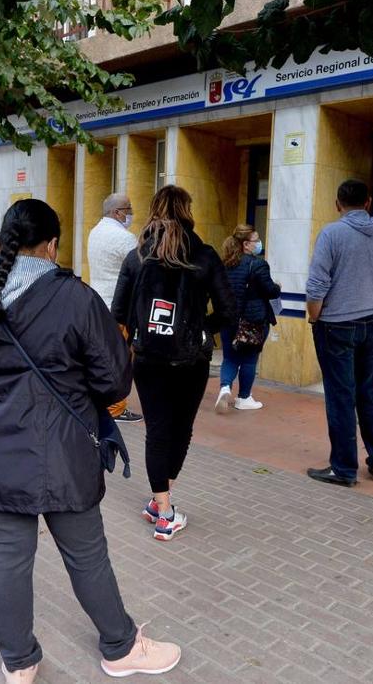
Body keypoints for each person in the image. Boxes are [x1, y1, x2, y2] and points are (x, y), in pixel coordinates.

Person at [0, 199, 181, 683]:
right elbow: (115, 381)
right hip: (61, 452)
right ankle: (119, 647)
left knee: (6, 555)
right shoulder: (74, 297)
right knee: (87, 553)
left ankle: (18, 662)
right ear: (52, 245)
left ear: (1, 241)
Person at [112, 186, 234, 541]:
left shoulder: (136, 257)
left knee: (157, 430)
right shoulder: (205, 255)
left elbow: (118, 312)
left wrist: (141, 330)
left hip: (147, 358)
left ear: (153, 211)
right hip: (190, 360)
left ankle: (159, 502)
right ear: (187, 211)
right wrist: (201, 330)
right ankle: (165, 511)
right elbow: (229, 311)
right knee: (180, 430)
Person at [305, 179, 373, 487]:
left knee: (340, 396)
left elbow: (316, 286)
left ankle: (344, 468)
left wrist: (315, 318)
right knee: (368, 394)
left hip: (335, 325)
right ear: (368, 202)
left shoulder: (331, 234)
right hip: (372, 324)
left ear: (338, 204)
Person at [86, 192, 143, 423]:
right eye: (128, 209)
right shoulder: (125, 238)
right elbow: (139, 273)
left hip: (97, 302)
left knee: (101, 357)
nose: (131, 213)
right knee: (119, 359)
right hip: (119, 308)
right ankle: (116, 408)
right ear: (117, 212)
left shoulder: (95, 232)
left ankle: (100, 401)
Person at [216, 224, 282, 413]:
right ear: (246, 244)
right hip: (252, 320)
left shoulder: (225, 264)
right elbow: (270, 290)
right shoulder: (257, 264)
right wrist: (277, 287)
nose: (259, 243)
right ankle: (243, 397)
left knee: (229, 357)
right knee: (249, 359)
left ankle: (225, 387)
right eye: (256, 240)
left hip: (229, 318)